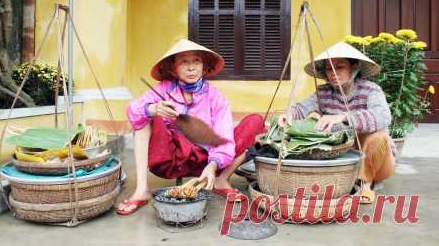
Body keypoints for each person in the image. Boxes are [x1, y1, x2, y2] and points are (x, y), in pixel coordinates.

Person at [116, 39, 265, 215]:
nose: (191, 67)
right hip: (173, 158)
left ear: (204, 66)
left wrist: (213, 164)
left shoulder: (216, 97)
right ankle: (142, 190)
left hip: (207, 161)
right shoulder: (164, 89)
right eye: (183, 62)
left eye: (196, 61)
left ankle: (222, 180)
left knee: (256, 122)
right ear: (173, 68)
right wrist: (153, 109)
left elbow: (224, 137)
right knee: (143, 116)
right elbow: (133, 113)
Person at [278, 41, 396, 204]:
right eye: (329, 68)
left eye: (340, 67)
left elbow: (383, 116)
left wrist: (342, 117)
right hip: (345, 159)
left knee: (378, 135)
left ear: (354, 68)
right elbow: (304, 107)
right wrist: (289, 114)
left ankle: (365, 184)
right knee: (313, 119)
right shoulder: (323, 92)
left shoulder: (371, 90)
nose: (333, 72)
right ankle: (348, 179)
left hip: (378, 162)